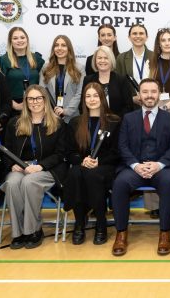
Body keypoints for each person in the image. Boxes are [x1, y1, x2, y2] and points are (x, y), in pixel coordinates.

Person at [112, 79, 170, 256]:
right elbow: (123, 146)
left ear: (159, 94)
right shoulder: (128, 118)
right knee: (119, 183)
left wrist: (158, 165)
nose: (149, 95)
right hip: (134, 168)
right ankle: (121, 233)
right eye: (145, 92)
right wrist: (135, 165)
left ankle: (165, 233)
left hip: (161, 168)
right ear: (139, 95)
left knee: (169, 182)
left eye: (153, 91)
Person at [1, 85, 68, 250]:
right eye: (30, 98)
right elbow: (6, 150)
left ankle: (34, 230)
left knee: (29, 182)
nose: (35, 102)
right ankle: (18, 232)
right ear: (25, 102)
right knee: (12, 184)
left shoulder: (58, 124)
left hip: (48, 169)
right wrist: (12, 164)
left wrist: (41, 166)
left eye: (39, 98)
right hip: (21, 168)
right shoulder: (14, 123)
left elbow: (61, 154)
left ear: (45, 100)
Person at [66, 82, 121, 245]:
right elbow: (69, 152)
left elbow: (117, 152)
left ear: (102, 98)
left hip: (106, 166)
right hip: (82, 164)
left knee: (92, 175)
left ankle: (101, 224)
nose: (92, 99)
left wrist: (99, 161)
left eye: (95, 96)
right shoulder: (75, 122)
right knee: (74, 173)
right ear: (84, 100)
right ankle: (79, 223)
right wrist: (82, 160)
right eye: (88, 96)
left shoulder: (114, 121)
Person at [0, 27, 45, 117]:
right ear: (10, 42)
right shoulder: (2, 61)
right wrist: (14, 105)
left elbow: (43, 83)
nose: (19, 40)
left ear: (27, 40)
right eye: (15, 38)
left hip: (35, 105)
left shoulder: (37, 59)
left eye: (22, 37)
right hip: (14, 107)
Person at [40, 35, 85, 123]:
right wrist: (52, 110)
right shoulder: (46, 68)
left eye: (63, 45)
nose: (59, 48)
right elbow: (42, 91)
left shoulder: (79, 68)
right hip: (50, 116)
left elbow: (80, 93)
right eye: (56, 45)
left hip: (72, 117)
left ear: (69, 49)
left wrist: (66, 111)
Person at [81, 46, 133, 117]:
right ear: (95, 61)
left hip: (118, 123)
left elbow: (129, 106)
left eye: (106, 58)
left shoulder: (121, 80)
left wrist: (114, 120)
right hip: (94, 122)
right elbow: (82, 105)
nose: (102, 61)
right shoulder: (88, 80)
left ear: (111, 60)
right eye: (99, 58)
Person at [115, 23, 153, 98]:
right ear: (129, 37)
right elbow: (118, 83)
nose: (138, 36)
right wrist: (132, 99)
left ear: (147, 37)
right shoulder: (121, 58)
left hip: (152, 100)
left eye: (141, 33)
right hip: (130, 103)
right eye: (134, 33)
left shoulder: (155, 56)